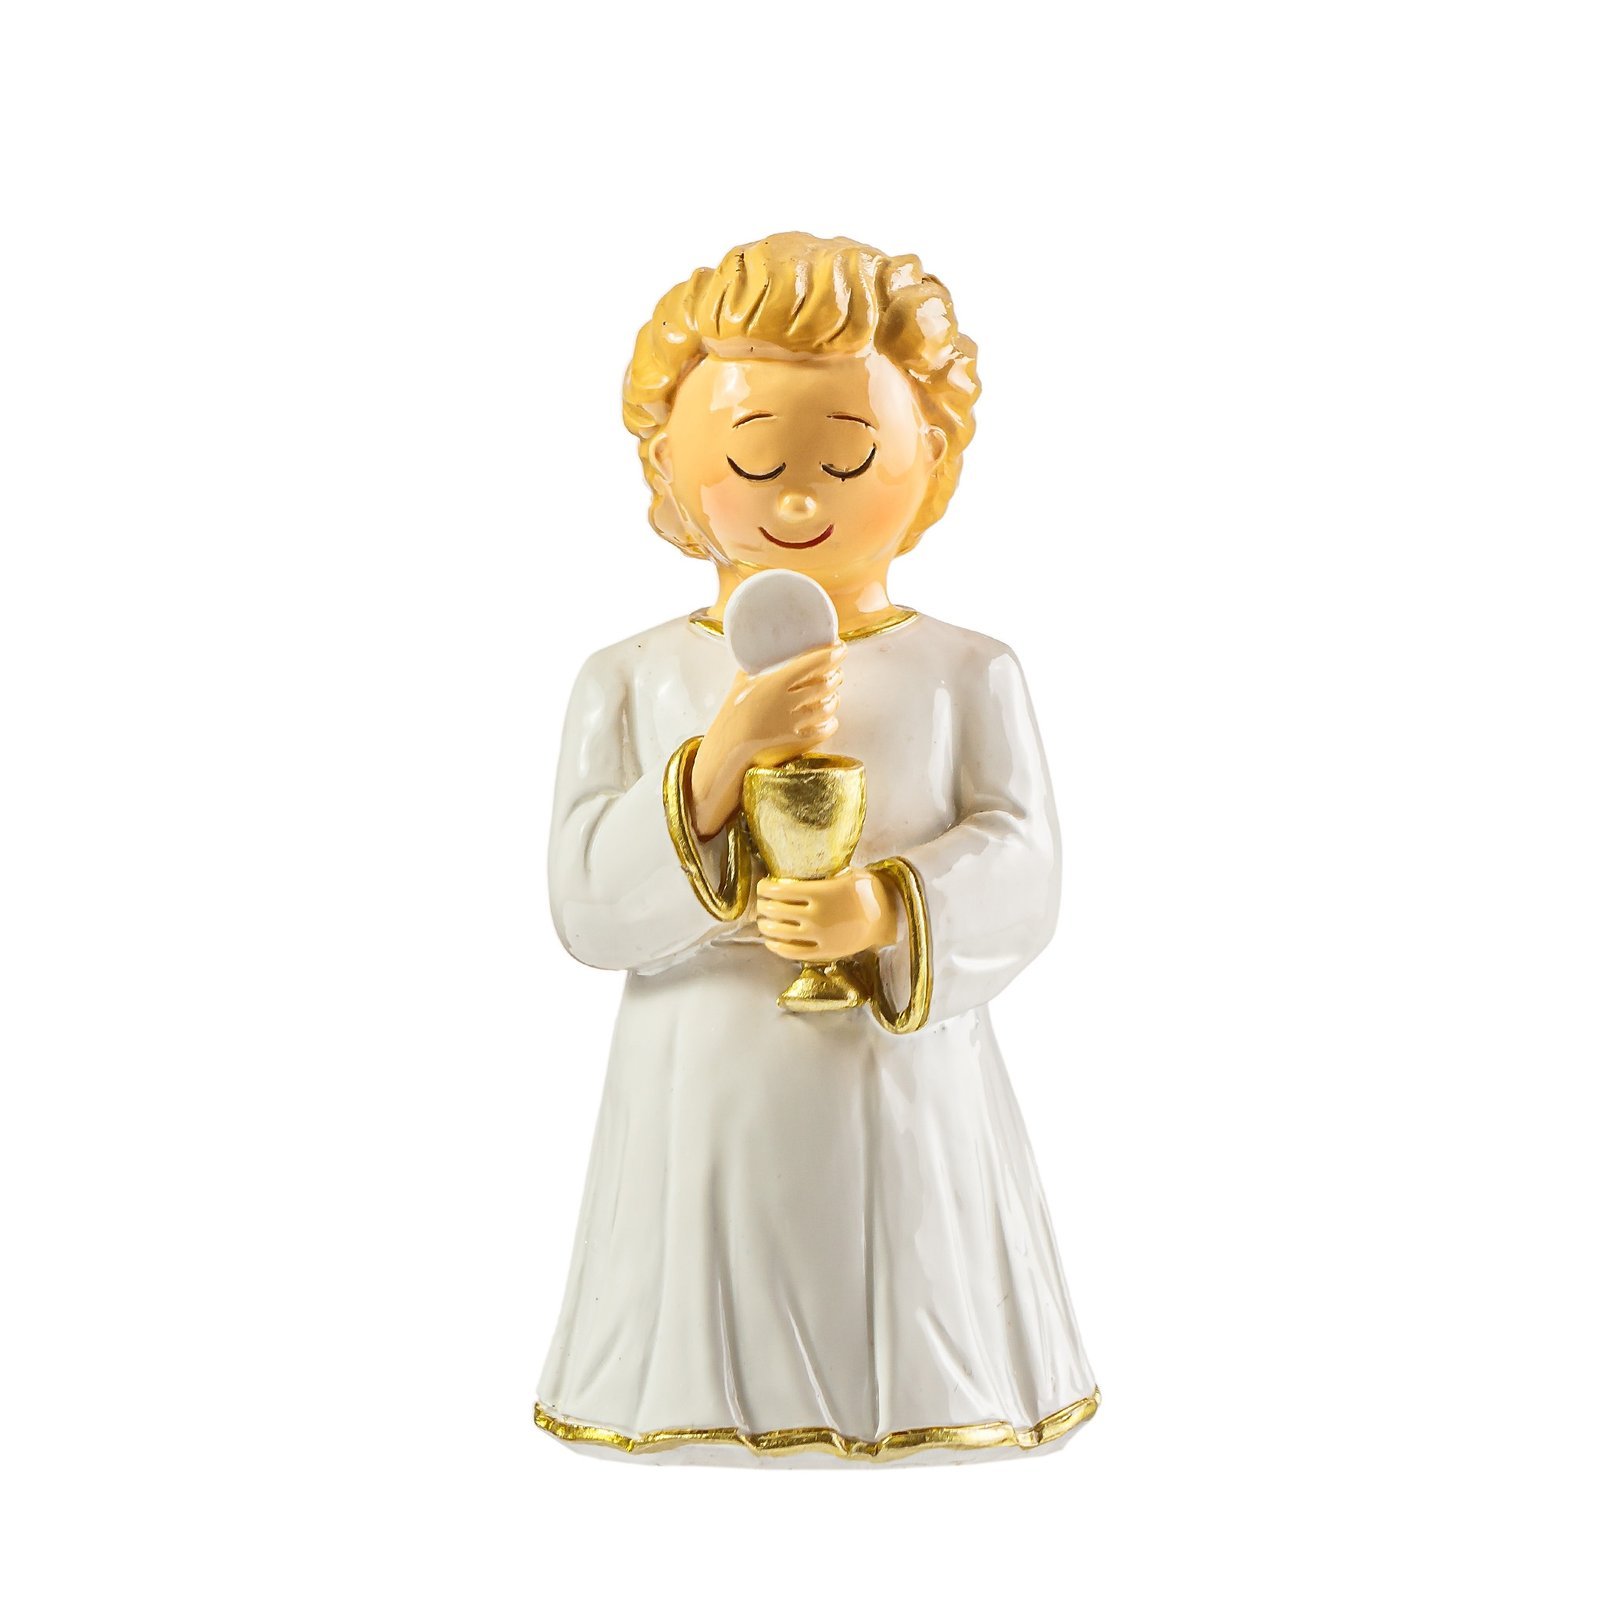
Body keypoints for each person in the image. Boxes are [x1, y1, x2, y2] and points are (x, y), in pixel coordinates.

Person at [535, 233, 1097, 1465]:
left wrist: (888, 910)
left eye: (845, 458)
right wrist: (718, 762)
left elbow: (1023, 860)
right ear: (668, 466)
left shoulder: (966, 671)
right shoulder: (629, 677)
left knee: (903, 1253)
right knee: (705, 1268)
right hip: (698, 1065)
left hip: (900, 1080)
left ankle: (920, 1388)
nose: (797, 500)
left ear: (930, 454)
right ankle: (691, 1390)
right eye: (752, 460)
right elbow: (584, 904)